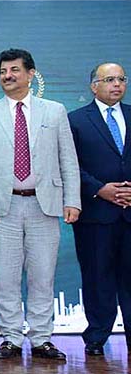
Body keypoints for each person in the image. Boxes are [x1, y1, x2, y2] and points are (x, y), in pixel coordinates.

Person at [0, 48, 80, 361]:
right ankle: (11, 339)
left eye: (15, 70)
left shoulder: (55, 111)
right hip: (3, 208)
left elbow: (68, 160)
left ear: (31, 74)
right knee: (6, 275)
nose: (8, 76)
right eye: (3, 71)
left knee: (43, 275)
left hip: (45, 206)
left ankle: (42, 338)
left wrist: (72, 200)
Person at [68, 63, 131, 356]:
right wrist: (99, 189)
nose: (116, 85)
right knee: (97, 276)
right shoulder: (77, 121)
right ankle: (97, 336)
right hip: (95, 213)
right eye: (109, 80)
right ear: (94, 86)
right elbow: (69, 166)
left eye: (121, 79)